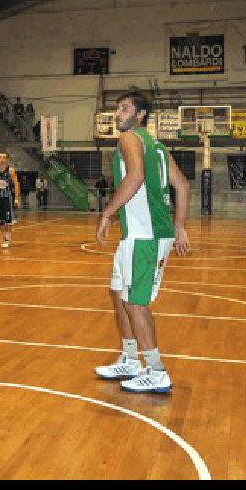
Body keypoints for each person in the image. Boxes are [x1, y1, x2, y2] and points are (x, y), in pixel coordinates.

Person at [93, 90, 191, 394]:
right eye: (117, 109)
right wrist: (180, 225)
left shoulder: (130, 139)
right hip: (139, 234)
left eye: (124, 109)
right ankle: (130, 359)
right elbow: (183, 186)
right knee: (118, 292)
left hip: (145, 235)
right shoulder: (158, 147)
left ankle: (156, 370)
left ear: (140, 115)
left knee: (136, 303)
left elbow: (134, 177)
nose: (117, 114)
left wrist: (107, 213)